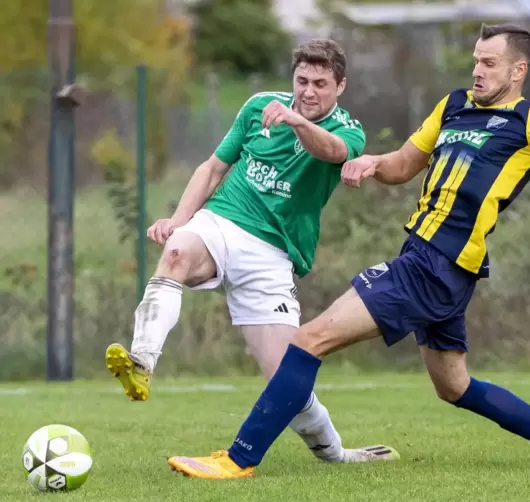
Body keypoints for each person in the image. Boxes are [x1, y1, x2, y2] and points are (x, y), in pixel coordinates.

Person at [165, 24, 530, 479]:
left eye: (489, 63)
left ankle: (237, 460)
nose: (477, 70)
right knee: (454, 386)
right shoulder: (453, 105)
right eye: (475, 60)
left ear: (518, 70)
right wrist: (369, 162)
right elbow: (403, 166)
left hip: (433, 265)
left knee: (308, 340)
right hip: (439, 266)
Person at [104, 38, 399, 465]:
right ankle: (142, 362)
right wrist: (179, 222)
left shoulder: (346, 130)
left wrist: (297, 121)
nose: (308, 90)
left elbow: (332, 153)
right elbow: (213, 168)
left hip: (273, 255)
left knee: (286, 382)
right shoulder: (259, 105)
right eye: (302, 80)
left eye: (320, 83)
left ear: (340, 86)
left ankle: (336, 455)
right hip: (222, 222)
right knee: (175, 255)